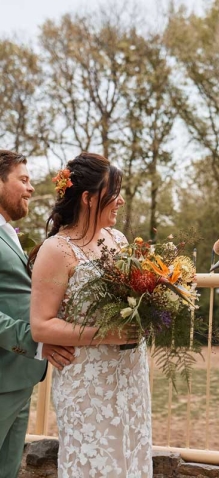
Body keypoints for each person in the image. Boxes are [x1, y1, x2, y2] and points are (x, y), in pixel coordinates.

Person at [30, 152, 152, 477]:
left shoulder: (119, 240)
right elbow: (41, 325)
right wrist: (107, 334)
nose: (121, 201)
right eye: (114, 193)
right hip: (88, 387)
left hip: (130, 379)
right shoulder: (56, 250)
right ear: (87, 198)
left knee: (132, 458)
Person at [0, 150, 75, 478]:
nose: (31, 188)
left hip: (19, 376)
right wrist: (36, 341)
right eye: (24, 180)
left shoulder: (8, 233)